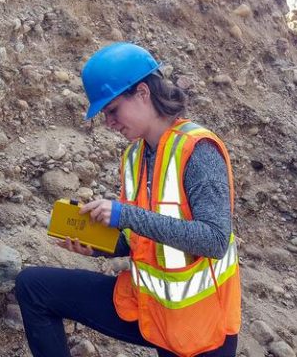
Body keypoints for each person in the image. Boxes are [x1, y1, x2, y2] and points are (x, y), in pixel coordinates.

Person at [14, 43, 241, 357]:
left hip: (198, 330)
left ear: (143, 93)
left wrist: (125, 215)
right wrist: (98, 245)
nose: (109, 122)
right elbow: (143, 241)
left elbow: (214, 240)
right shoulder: (135, 156)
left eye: (113, 110)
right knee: (33, 287)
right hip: (146, 307)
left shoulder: (197, 150)